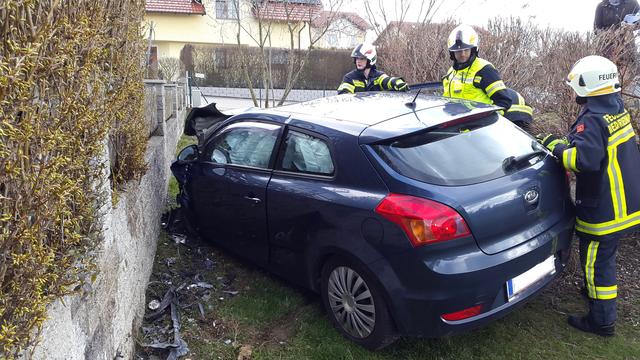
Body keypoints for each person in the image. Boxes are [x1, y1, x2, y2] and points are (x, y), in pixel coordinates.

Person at [538, 55, 640, 336]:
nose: (573, 92)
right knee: (603, 260)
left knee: (597, 263)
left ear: (588, 86)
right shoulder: (615, 107)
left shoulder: (593, 118)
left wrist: (557, 148)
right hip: (625, 203)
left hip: (604, 210)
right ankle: (595, 296)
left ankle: (602, 321)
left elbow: (583, 160)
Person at [442, 24, 521, 123]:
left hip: (479, 129)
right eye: (458, 51)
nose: (462, 54)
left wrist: (487, 121)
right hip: (458, 126)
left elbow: (503, 102)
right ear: (452, 53)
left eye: (466, 50)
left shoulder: (484, 70)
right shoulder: (451, 72)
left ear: (474, 49)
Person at [337, 43, 408, 94]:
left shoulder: (378, 76)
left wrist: (397, 82)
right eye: (356, 58)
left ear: (370, 60)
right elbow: (343, 94)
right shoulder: (350, 78)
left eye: (362, 58)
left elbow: (387, 80)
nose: (358, 61)